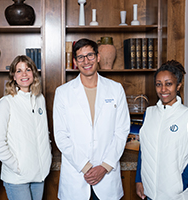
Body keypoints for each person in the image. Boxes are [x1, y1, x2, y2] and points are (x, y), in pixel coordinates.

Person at [53, 38, 130, 200]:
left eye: (90, 55)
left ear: (98, 57)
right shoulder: (63, 93)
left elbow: (121, 132)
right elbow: (60, 136)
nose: (86, 61)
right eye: (80, 57)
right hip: (77, 176)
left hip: (106, 177)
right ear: (75, 61)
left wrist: (105, 166)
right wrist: (86, 166)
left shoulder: (115, 89)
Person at [135, 60, 188, 200]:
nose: (163, 89)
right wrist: (139, 179)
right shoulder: (149, 113)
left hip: (178, 196)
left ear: (178, 85)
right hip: (150, 194)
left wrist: (180, 184)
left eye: (169, 84)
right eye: (158, 84)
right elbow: (143, 149)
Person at [0, 55, 52, 200]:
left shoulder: (40, 99)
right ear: (13, 76)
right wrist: (17, 167)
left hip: (40, 174)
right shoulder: (6, 102)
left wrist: (46, 160)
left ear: (34, 74)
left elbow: (44, 134)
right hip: (17, 177)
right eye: (19, 71)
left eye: (28, 69)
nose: (24, 74)